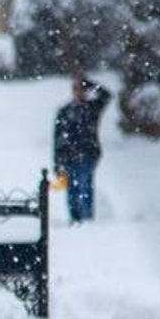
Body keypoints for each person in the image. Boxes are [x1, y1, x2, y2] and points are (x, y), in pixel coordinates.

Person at [53, 76, 112, 223]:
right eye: (76, 89)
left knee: (84, 186)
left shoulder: (91, 108)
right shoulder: (65, 111)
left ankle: (86, 218)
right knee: (72, 190)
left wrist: (88, 83)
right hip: (69, 157)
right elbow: (58, 138)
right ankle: (75, 219)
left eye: (81, 89)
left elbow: (106, 95)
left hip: (87, 154)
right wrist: (57, 162)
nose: (78, 93)